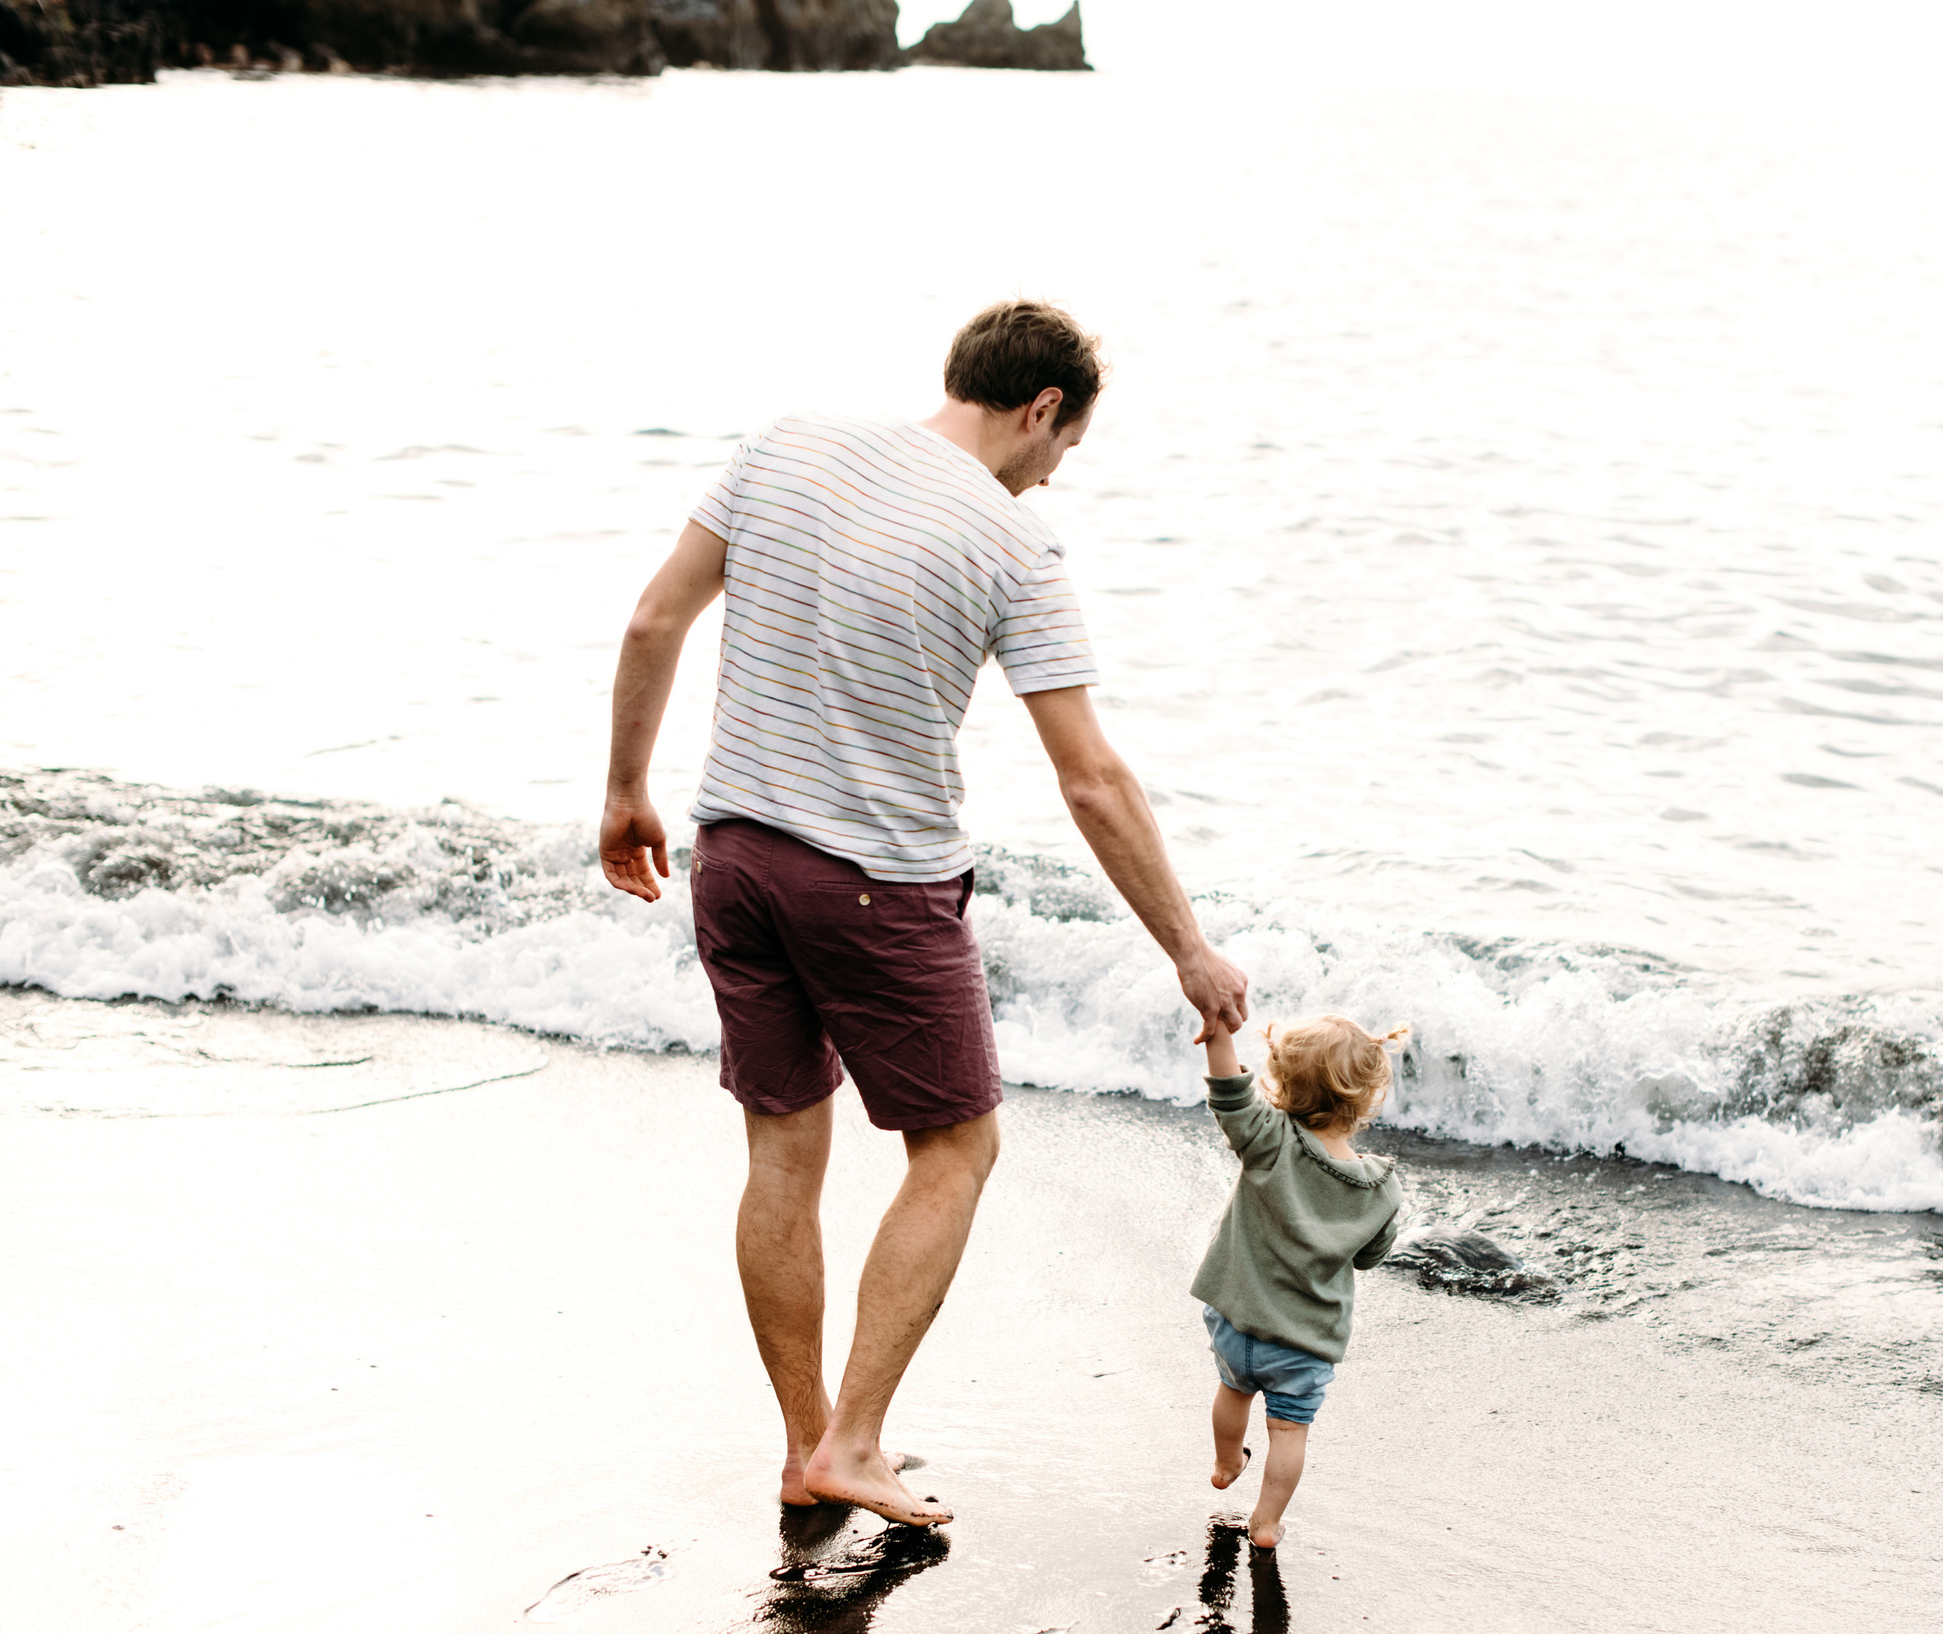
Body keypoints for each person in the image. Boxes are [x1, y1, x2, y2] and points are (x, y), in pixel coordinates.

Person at [599, 300, 1249, 1528]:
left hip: (732, 856)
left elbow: (653, 619)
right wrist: (1189, 949)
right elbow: (1092, 779)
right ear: (1040, 407)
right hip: (875, 884)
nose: (1053, 474)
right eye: (1065, 447)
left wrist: (627, 791)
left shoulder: (784, 445)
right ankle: (852, 1441)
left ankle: (807, 1446)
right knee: (955, 1150)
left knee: (782, 1152)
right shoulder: (1013, 544)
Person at [1194, 1013, 1408, 1549]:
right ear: (1368, 1096)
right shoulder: (1381, 1188)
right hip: (1303, 1344)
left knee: (1233, 1392)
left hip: (1237, 1323)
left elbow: (1229, 1094)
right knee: (1288, 1432)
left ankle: (1225, 1464)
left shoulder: (1270, 1139)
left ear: (1284, 1081)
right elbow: (1370, 1258)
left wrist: (1217, 1027)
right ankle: (1265, 1523)